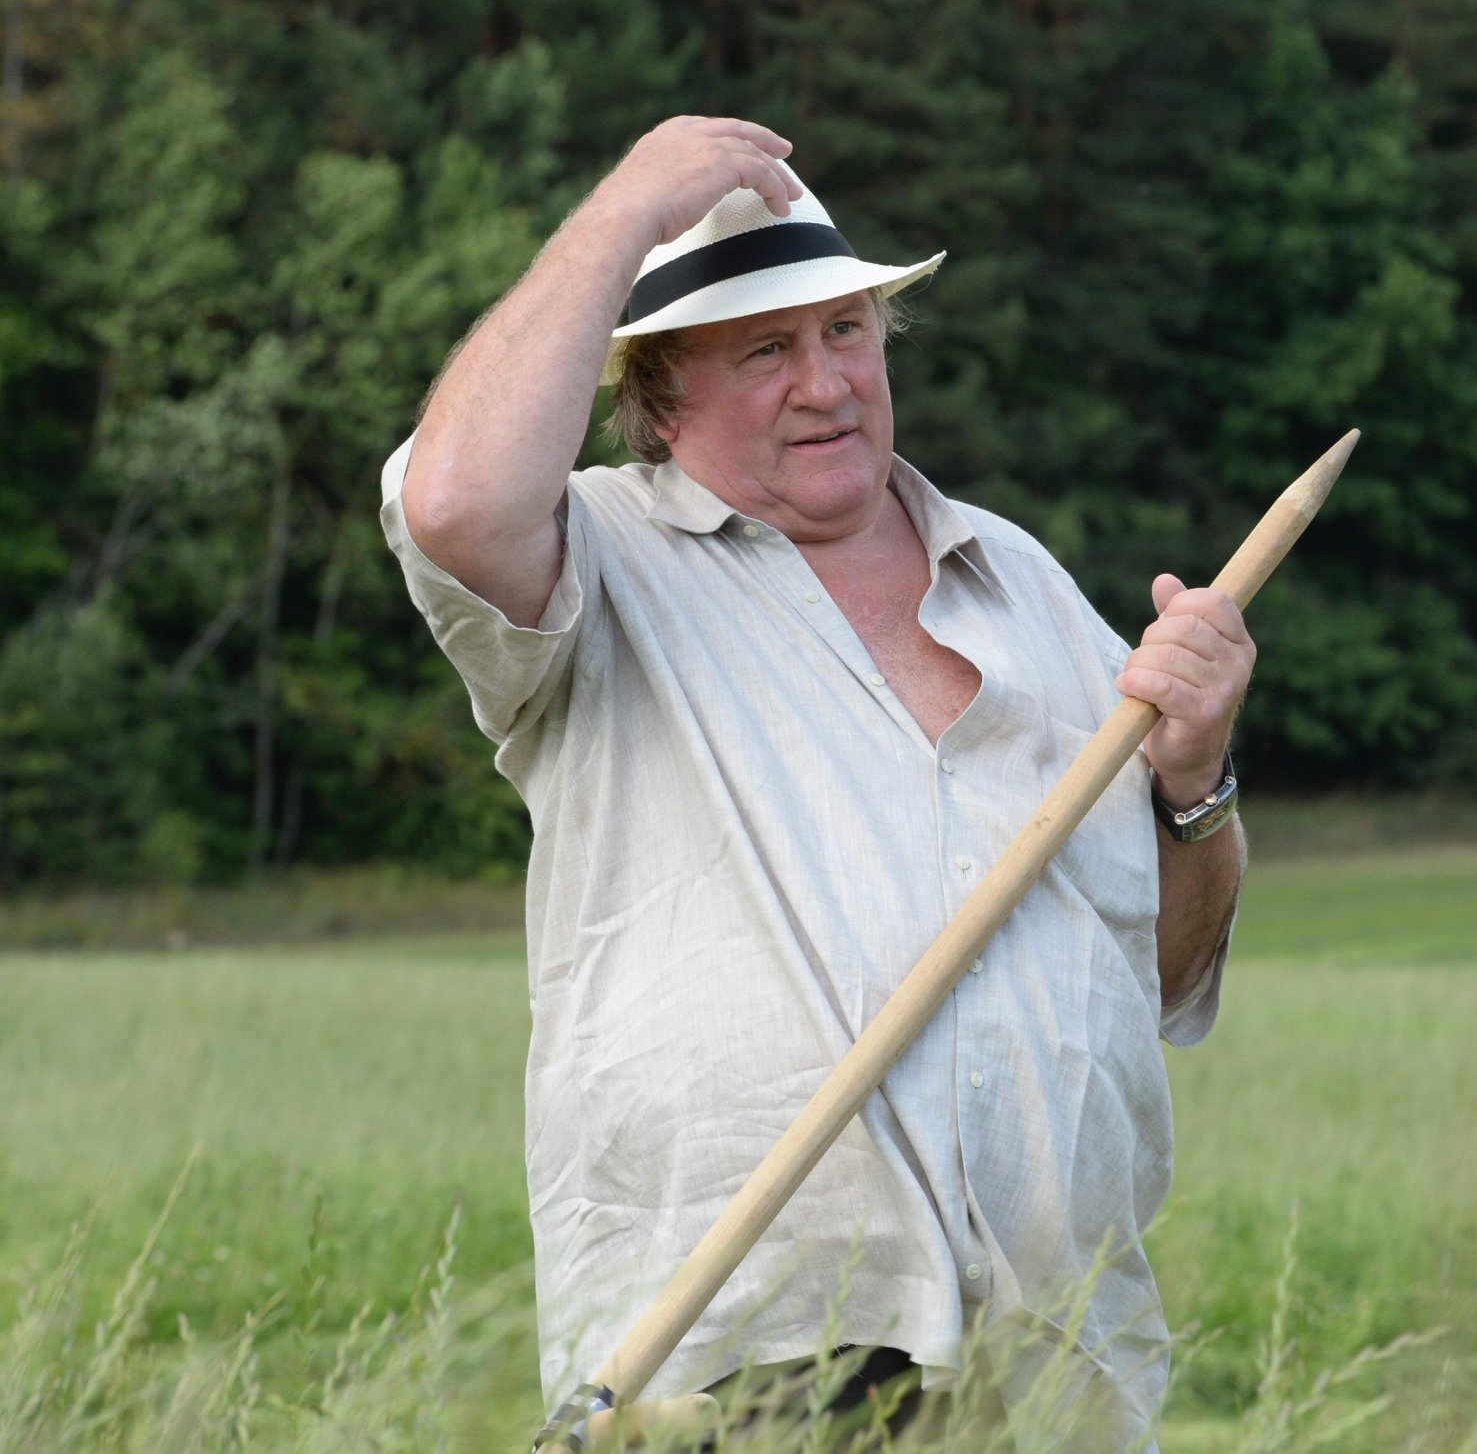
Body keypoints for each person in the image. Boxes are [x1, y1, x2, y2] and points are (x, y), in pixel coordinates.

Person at [379, 115, 1253, 1447]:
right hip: (740, 1351)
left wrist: (1196, 784)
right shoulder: (601, 564)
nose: (825, 382)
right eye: (765, 350)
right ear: (662, 399)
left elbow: (1165, 973)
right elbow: (451, 504)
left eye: (846, 331)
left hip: (1053, 1359)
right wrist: (620, 215)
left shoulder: (1028, 587)